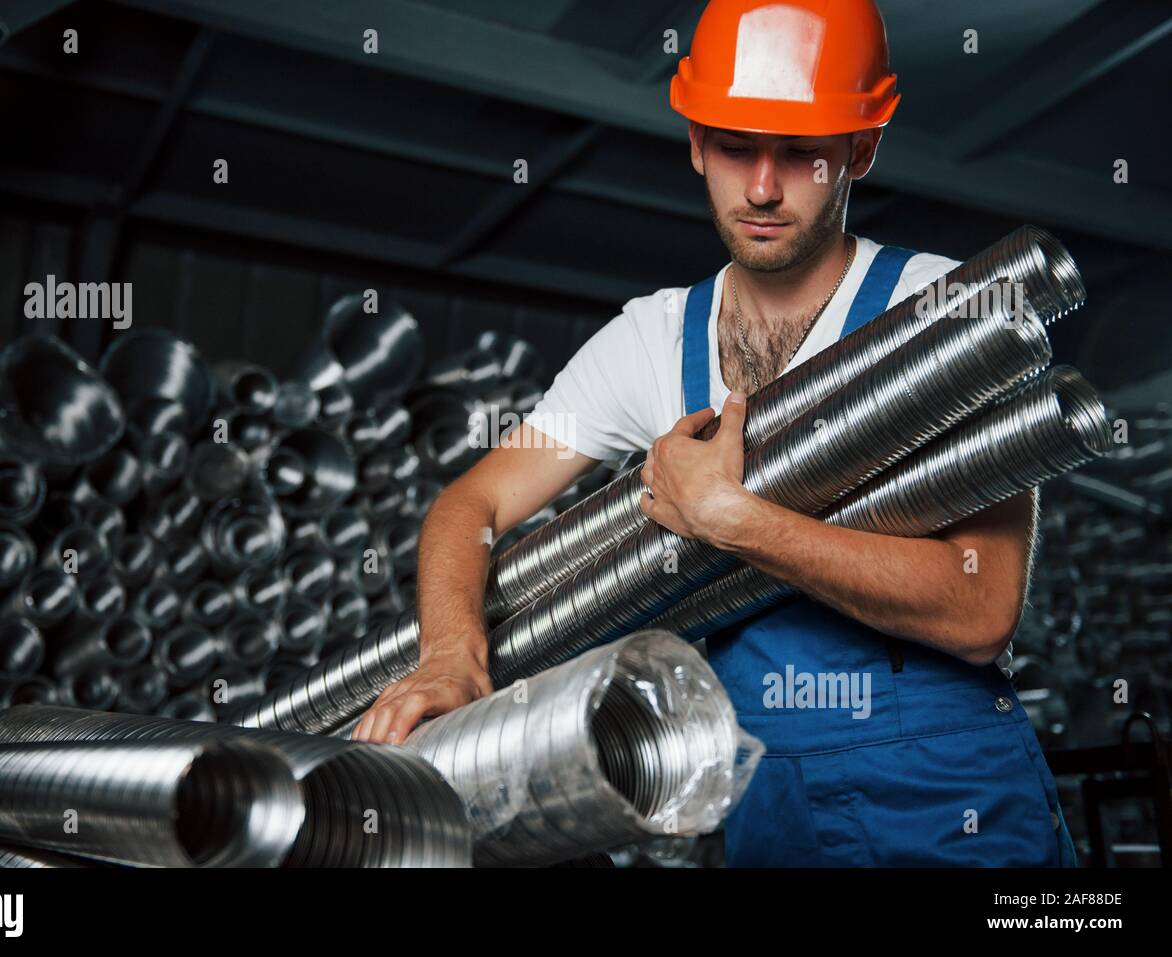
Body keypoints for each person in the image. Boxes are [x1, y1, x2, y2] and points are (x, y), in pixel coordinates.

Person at [352, 0, 1075, 867]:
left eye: (801, 152)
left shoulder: (953, 312)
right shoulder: (649, 341)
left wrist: (732, 519)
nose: (763, 188)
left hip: (955, 800)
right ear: (695, 141)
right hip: (768, 804)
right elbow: (472, 502)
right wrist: (450, 653)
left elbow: (982, 608)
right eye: (736, 146)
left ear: (860, 149)